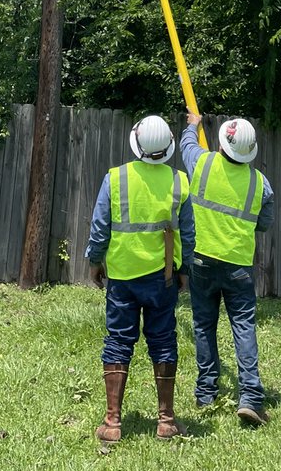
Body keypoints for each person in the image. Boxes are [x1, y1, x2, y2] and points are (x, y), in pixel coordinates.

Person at [85, 114, 194, 443]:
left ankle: (112, 423)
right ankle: (166, 421)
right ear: (167, 148)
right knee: (162, 341)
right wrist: (184, 269)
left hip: (122, 278)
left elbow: (100, 227)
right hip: (162, 279)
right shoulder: (179, 182)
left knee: (118, 341)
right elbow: (188, 234)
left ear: (138, 145)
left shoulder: (115, 178)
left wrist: (94, 261)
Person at [181, 111, 274, 425]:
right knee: (243, 328)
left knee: (204, 326)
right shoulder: (261, 184)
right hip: (238, 266)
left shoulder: (202, 163)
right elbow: (264, 224)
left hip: (201, 261)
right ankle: (250, 397)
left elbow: (185, 146)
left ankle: (206, 392)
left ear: (221, 143)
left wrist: (192, 125)